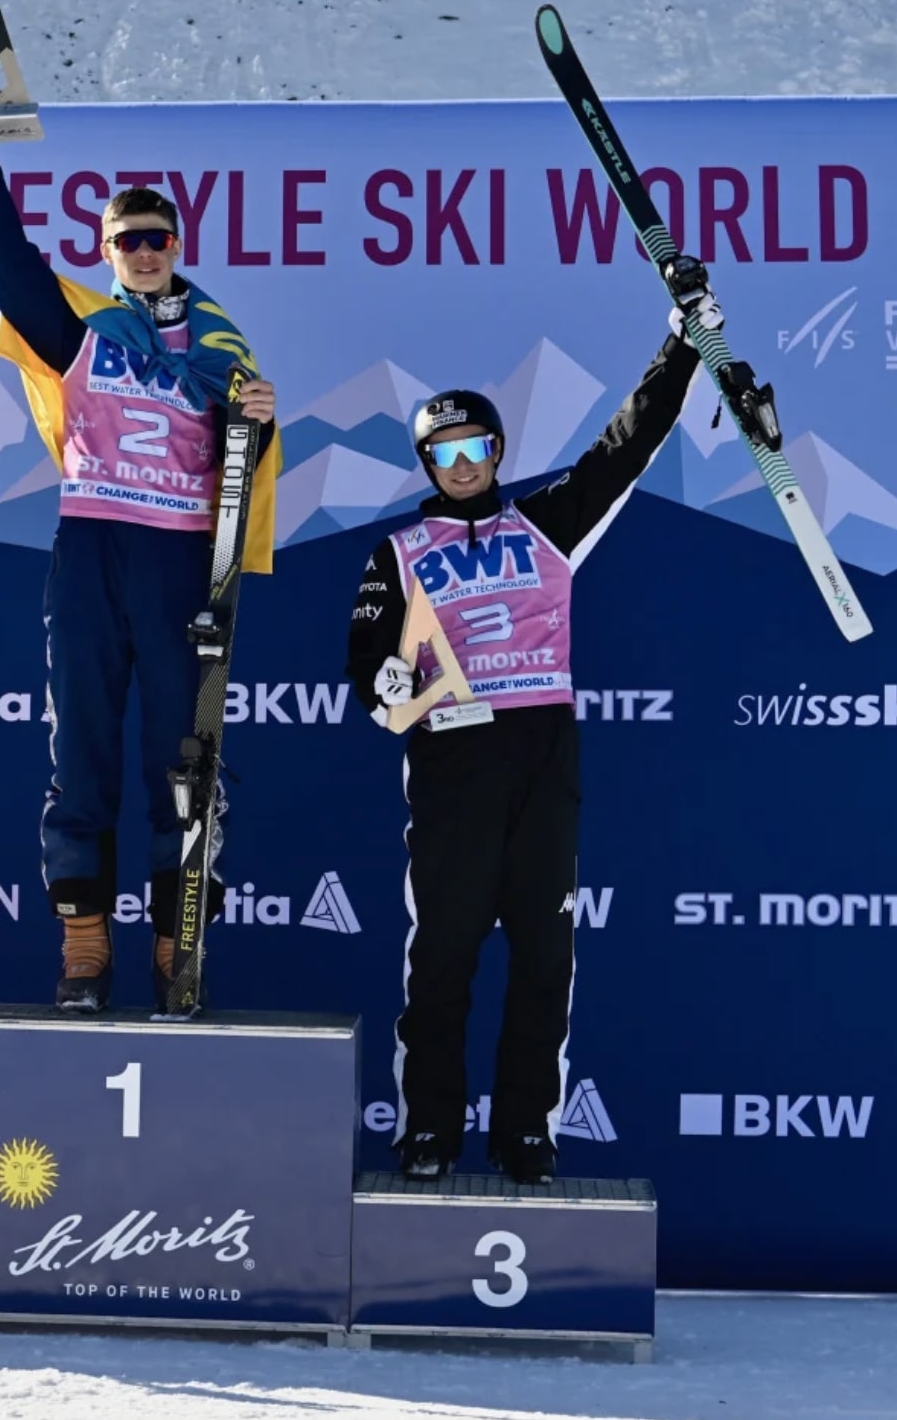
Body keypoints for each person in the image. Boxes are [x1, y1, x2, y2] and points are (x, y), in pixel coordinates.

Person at [344, 261, 719, 1184]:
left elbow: (623, 448)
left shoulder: (547, 525)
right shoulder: (399, 551)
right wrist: (388, 678)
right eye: (446, 454)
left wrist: (682, 344)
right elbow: (368, 669)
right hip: (451, 766)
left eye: (478, 449)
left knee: (545, 960)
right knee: (441, 962)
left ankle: (525, 1133)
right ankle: (428, 1130)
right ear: (426, 464)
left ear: (499, 454)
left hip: (542, 761)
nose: (464, 465)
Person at [0, 66, 281, 1012]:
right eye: (125, 241)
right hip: (92, 548)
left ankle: (179, 946)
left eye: (156, 239)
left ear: (178, 247)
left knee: (187, 758)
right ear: (106, 253)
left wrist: (254, 415)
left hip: (178, 563)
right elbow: (5, 263)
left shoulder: (222, 351)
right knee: (80, 749)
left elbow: (244, 467)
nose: (141, 251)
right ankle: (84, 943)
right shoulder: (81, 331)